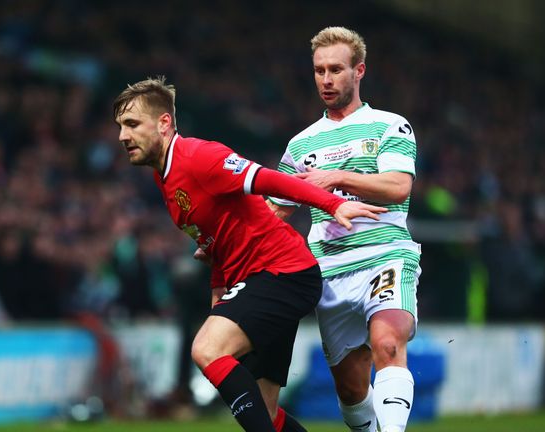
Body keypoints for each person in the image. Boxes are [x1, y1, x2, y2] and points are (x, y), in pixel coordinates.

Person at [113, 76, 387, 432]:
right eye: (120, 126)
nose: (123, 136)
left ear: (164, 123)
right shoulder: (163, 178)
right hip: (263, 280)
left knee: (206, 349)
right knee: (267, 415)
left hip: (282, 273)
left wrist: (333, 204)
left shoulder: (198, 157)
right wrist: (218, 292)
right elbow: (213, 243)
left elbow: (271, 180)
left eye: (132, 124)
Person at [266, 27, 422, 432]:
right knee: (351, 390)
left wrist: (335, 176)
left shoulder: (390, 126)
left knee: (388, 344)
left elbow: (398, 186)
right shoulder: (300, 145)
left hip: (385, 255)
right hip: (329, 270)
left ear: (359, 71)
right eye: (319, 70)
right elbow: (275, 213)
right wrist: (223, 239)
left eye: (336, 69)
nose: (326, 79)